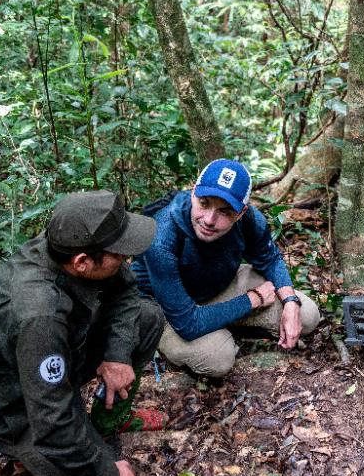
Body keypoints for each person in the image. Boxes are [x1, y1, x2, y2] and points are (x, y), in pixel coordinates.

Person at [0, 191, 166, 476]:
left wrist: (117, 356)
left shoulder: (74, 244)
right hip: (12, 402)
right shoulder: (39, 313)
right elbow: (51, 419)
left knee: (146, 318)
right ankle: (28, 446)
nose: (125, 260)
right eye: (119, 254)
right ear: (82, 263)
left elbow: (125, 292)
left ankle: (109, 420)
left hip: (65, 352)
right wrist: (106, 474)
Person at [133, 158, 321, 377]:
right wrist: (253, 300)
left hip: (216, 286)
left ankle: (223, 321)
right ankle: (196, 333)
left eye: (225, 211)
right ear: (193, 192)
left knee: (306, 314)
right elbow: (187, 324)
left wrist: (289, 301)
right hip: (167, 310)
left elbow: (269, 258)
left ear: (241, 213)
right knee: (217, 358)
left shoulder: (249, 219)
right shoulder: (163, 234)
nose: (209, 220)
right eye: (204, 203)